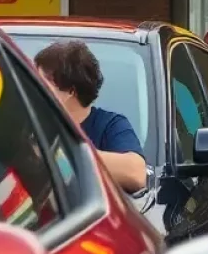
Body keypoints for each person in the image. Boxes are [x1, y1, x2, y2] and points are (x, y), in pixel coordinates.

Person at [34, 40, 147, 194]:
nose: (34, 89)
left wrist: (59, 155)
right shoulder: (32, 124)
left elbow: (136, 173)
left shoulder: (110, 125)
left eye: (42, 84)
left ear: (70, 92)